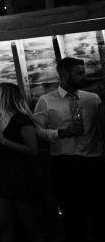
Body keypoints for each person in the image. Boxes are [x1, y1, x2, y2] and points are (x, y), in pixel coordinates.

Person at [34, 57, 104, 242]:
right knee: (72, 216)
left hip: (93, 161)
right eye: (79, 73)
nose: (84, 76)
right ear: (64, 74)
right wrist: (59, 133)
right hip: (65, 164)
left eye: (84, 72)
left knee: (99, 213)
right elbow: (38, 130)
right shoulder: (45, 101)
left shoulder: (93, 99)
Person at [0, 83, 40, 242]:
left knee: (31, 226)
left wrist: (3, 140)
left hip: (22, 174)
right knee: (4, 225)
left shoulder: (22, 119)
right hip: (0, 174)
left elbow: (33, 150)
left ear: (4, 96)